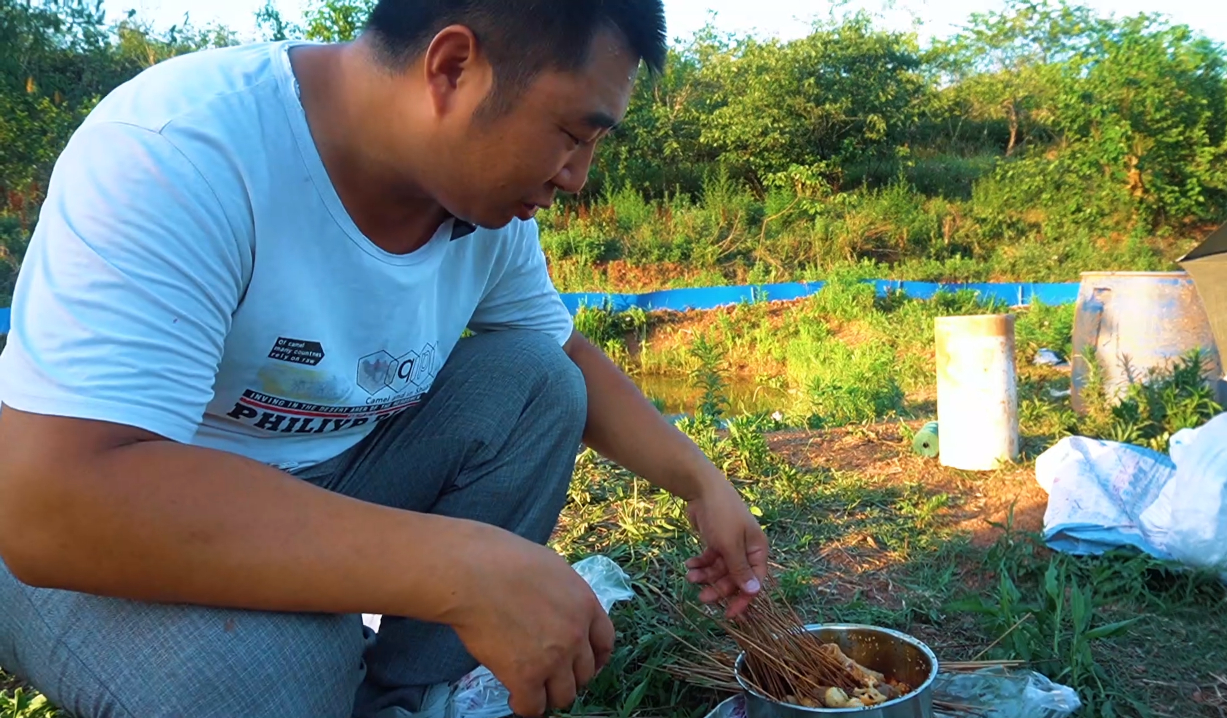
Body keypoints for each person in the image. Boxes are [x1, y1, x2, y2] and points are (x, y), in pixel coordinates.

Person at [0, 2, 770, 717]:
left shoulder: (482, 210)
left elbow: (559, 350)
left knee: (537, 384)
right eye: (571, 135)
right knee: (269, 677)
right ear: (452, 69)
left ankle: (407, 692)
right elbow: (53, 504)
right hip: (93, 522)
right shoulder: (182, 151)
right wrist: (458, 568)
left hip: (331, 476)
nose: (576, 178)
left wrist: (700, 480)